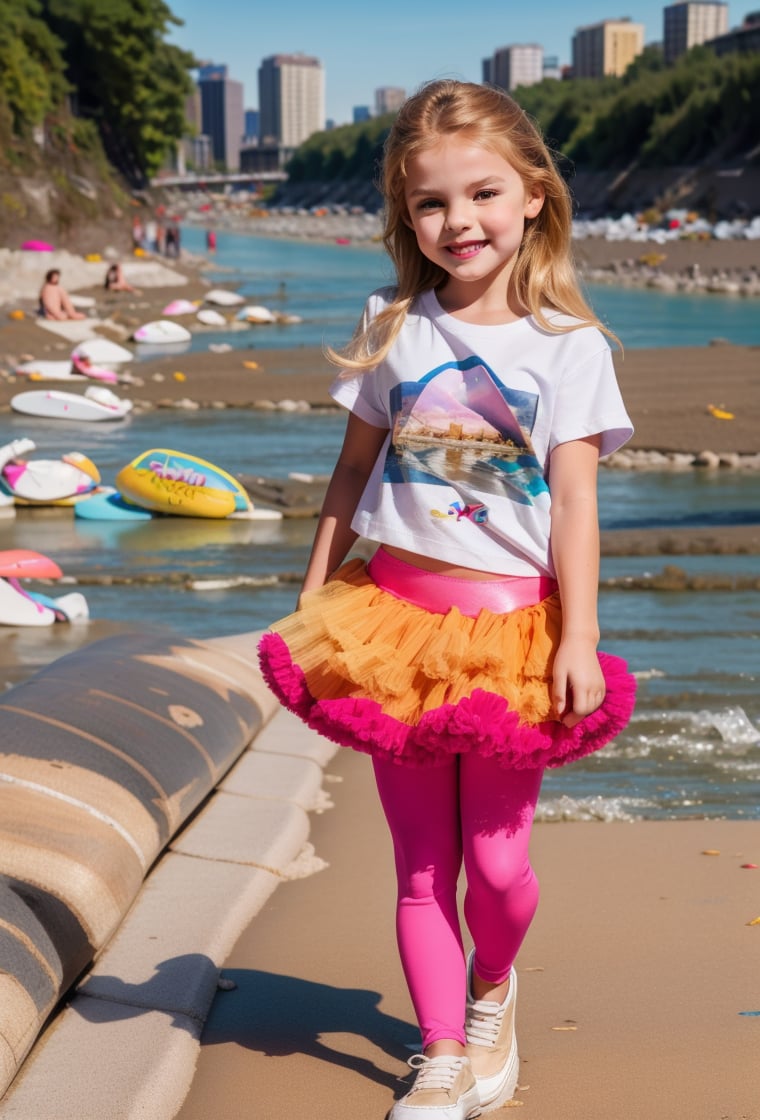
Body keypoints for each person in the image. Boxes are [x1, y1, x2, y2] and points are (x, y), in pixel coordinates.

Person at [258, 80, 637, 1120]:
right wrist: (311, 589)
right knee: (422, 867)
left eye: (480, 194)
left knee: (497, 865)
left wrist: (582, 634)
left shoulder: (569, 347)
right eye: (430, 204)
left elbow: (572, 503)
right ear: (404, 212)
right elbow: (348, 475)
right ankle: (437, 1053)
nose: (457, 222)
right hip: (390, 621)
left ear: (531, 197)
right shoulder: (391, 324)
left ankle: (490, 989)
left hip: (517, 632)